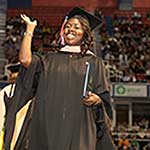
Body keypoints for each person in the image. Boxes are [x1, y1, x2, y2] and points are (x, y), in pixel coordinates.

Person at [4, 7, 115, 150]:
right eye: (67, 26)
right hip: (48, 123)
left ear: (85, 33)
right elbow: (25, 60)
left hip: (80, 124)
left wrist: (96, 99)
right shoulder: (48, 59)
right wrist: (30, 30)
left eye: (77, 27)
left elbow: (103, 96)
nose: (70, 30)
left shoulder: (94, 62)